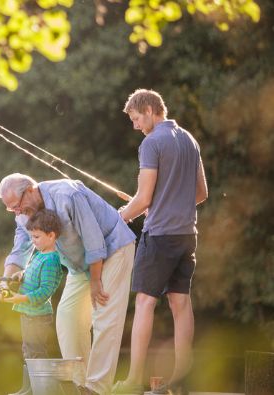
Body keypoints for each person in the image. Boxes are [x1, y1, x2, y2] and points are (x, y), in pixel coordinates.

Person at [0, 174, 136, 395]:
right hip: (80, 264)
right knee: (68, 316)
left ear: (30, 190)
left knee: (104, 314)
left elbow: (94, 239)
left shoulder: (68, 195)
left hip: (112, 248)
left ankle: (96, 389)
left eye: (17, 206)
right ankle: (79, 385)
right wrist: (5, 279)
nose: (17, 212)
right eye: (11, 209)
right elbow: (20, 246)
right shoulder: (23, 215)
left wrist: (96, 281)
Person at [112, 89, 208, 395]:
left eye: (137, 118)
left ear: (151, 109)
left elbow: (142, 199)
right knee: (181, 303)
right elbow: (201, 193)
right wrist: (168, 202)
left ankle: (132, 380)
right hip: (187, 235)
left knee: (144, 302)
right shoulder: (190, 140)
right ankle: (181, 380)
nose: (136, 125)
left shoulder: (152, 143)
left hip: (160, 236)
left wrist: (121, 217)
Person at [0, 209, 65, 395]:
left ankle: (42, 391)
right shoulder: (38, 254)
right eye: (32, 237)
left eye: (36, 237)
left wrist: (20, 298)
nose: (33, 241)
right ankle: (28, 389)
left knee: (37, 354)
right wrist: (19, 275)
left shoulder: (51, 260)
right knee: (28, 352)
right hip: (27, 314)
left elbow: (45, 291)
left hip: (38, 317)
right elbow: (29, 273)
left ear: (51, 235)